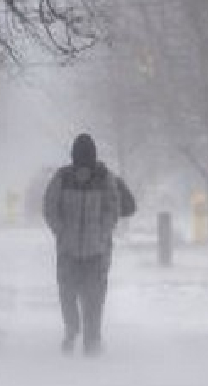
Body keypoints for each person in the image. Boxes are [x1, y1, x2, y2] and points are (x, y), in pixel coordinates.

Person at [43, 133, 134, 356]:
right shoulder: (62, 178)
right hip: (70, 250)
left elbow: (113, 209)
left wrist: (102, 232)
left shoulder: (104, 179)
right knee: (68, 294)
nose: (83, 169)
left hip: (96, 252)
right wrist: (61, 230)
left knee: (94, 297)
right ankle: (73, 327)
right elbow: (50, 207)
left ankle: (92, 340)